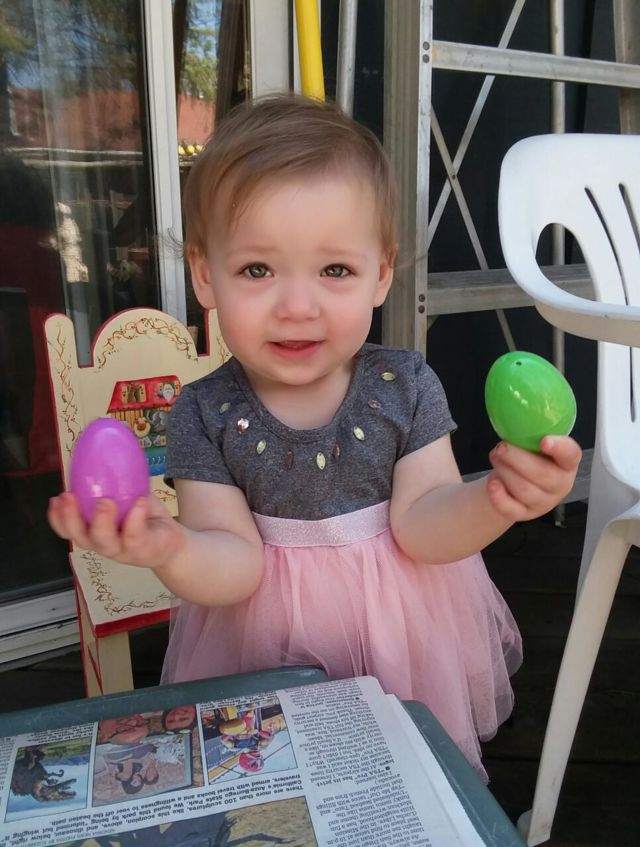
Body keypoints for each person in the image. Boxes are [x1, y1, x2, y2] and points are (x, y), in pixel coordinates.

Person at [48, 94, 581, 779]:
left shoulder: (406, 386)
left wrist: (498, 498)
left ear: (380, 274)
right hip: (260, 642)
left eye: (335, 270)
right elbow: (234, 564)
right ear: (206, 275)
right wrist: (170, 546)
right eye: (257, 270)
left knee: (400, 774)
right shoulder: (204, 411)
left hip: (399, 636)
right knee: (273, 776)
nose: (297, 307)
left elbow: (425, 527)